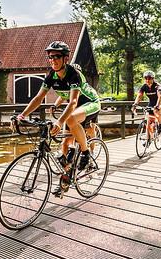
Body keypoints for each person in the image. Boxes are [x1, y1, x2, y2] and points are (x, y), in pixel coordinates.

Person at [13, 41, 100, 196]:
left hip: (89, 103)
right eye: (50, 56)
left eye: (57, 56)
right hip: (75, 109)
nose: (53, 59)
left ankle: (86, 153)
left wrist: (59, 121)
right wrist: (22, 115)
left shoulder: (73, 74)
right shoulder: (52, 75)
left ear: (66, 58)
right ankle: (66, 179)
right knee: (66, 145)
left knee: (70, 119)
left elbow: (73, 102)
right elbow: (39, 98)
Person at [131, 71, 161, 140]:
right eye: (146, 78)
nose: (147, 80)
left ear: (153, 78)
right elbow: (139, 96)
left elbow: (160, 96)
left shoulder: (157, 85)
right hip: (152, 102)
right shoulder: (144, 86)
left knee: (156, 111)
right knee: (148, 119)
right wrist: (135, 105)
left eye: (149, 78)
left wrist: (157, 105)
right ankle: (149, 137)